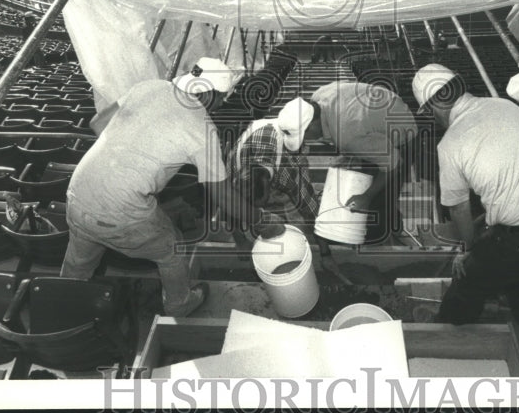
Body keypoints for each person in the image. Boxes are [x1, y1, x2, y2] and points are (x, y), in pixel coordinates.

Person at [411, 63, 519, 325]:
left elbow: (459, 209)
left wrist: (469, 250)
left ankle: (445, 328)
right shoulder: (506, 106)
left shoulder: (450, 145)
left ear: (433, 107)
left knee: (467, 280)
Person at [60, 57, 238, 318]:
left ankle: (63, 302)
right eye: (223, 99)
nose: (222, 105)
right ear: (211, 94)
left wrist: (133, 156)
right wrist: (260, 221)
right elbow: (223, 195)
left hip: (78, 192)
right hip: (120, 212)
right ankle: (180, 303)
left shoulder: (149, 87)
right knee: (171, 248)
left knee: (80, 260)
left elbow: (96, 124)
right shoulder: (203, 131)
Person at [226, 97, 343, 276]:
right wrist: (240, 240)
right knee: (255, 222)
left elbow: (309, 207)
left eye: (263, 200)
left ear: (271, 182)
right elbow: (227, 202)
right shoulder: (235, 162)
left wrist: (325, 253)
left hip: (283, 169)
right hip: (255, 178)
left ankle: (297, 248)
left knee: (297, 226)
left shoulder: (289, 169)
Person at [302, 79, 417, 244]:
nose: (306, 141)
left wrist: (367, 197)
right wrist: (349, 153)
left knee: (381, 197)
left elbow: (394, 164)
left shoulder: (347, 134)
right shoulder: (318, 97)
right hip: (380, 113)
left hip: (402, 131)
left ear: (312, 125)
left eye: (304, 137)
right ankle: (393, 222)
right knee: (375, 181)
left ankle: (378, 244)